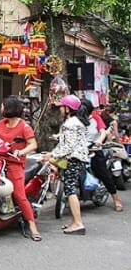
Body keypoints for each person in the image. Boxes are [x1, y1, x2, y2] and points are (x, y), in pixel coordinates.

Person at [0, 95, 42, 241]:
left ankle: (32, 226)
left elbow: (33, 144)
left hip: (15, 163)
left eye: (3, 106)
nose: (1, 108)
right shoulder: (1, 123)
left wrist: (21, 151)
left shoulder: (24, 126)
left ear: (10, 108)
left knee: (20, 196)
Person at [49, 94, 90, 235]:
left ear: (68, 108)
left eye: (62, 106)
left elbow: (68, 146)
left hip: (73, 159)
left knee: (70, 190)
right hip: (78, 158)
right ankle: (74, 221)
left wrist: (52, 155)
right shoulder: (77, 122)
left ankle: (78, 223)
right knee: (70, 189)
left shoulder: (70, 123)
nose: (60, 109)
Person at [82, 99, 123, 212]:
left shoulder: (96, 118)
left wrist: (99, 140)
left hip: (94, 149)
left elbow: (103, 131)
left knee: (103, 173)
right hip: (80, 150)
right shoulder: (76, 119)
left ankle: (116, 199)